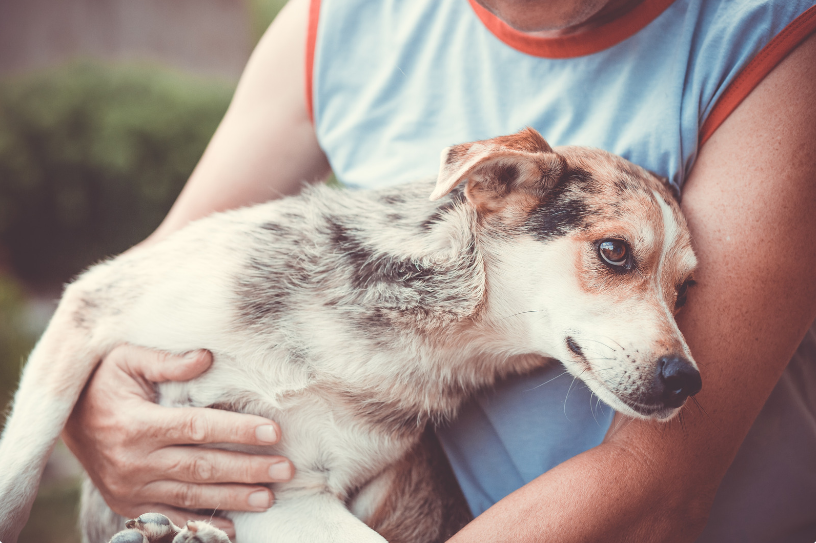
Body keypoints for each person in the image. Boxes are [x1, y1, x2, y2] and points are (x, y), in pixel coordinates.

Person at [62, 0, 816, 541]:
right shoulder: (343, 19)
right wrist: (96, 416)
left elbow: (655, 491)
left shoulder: (769, 32)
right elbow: (155, 274)